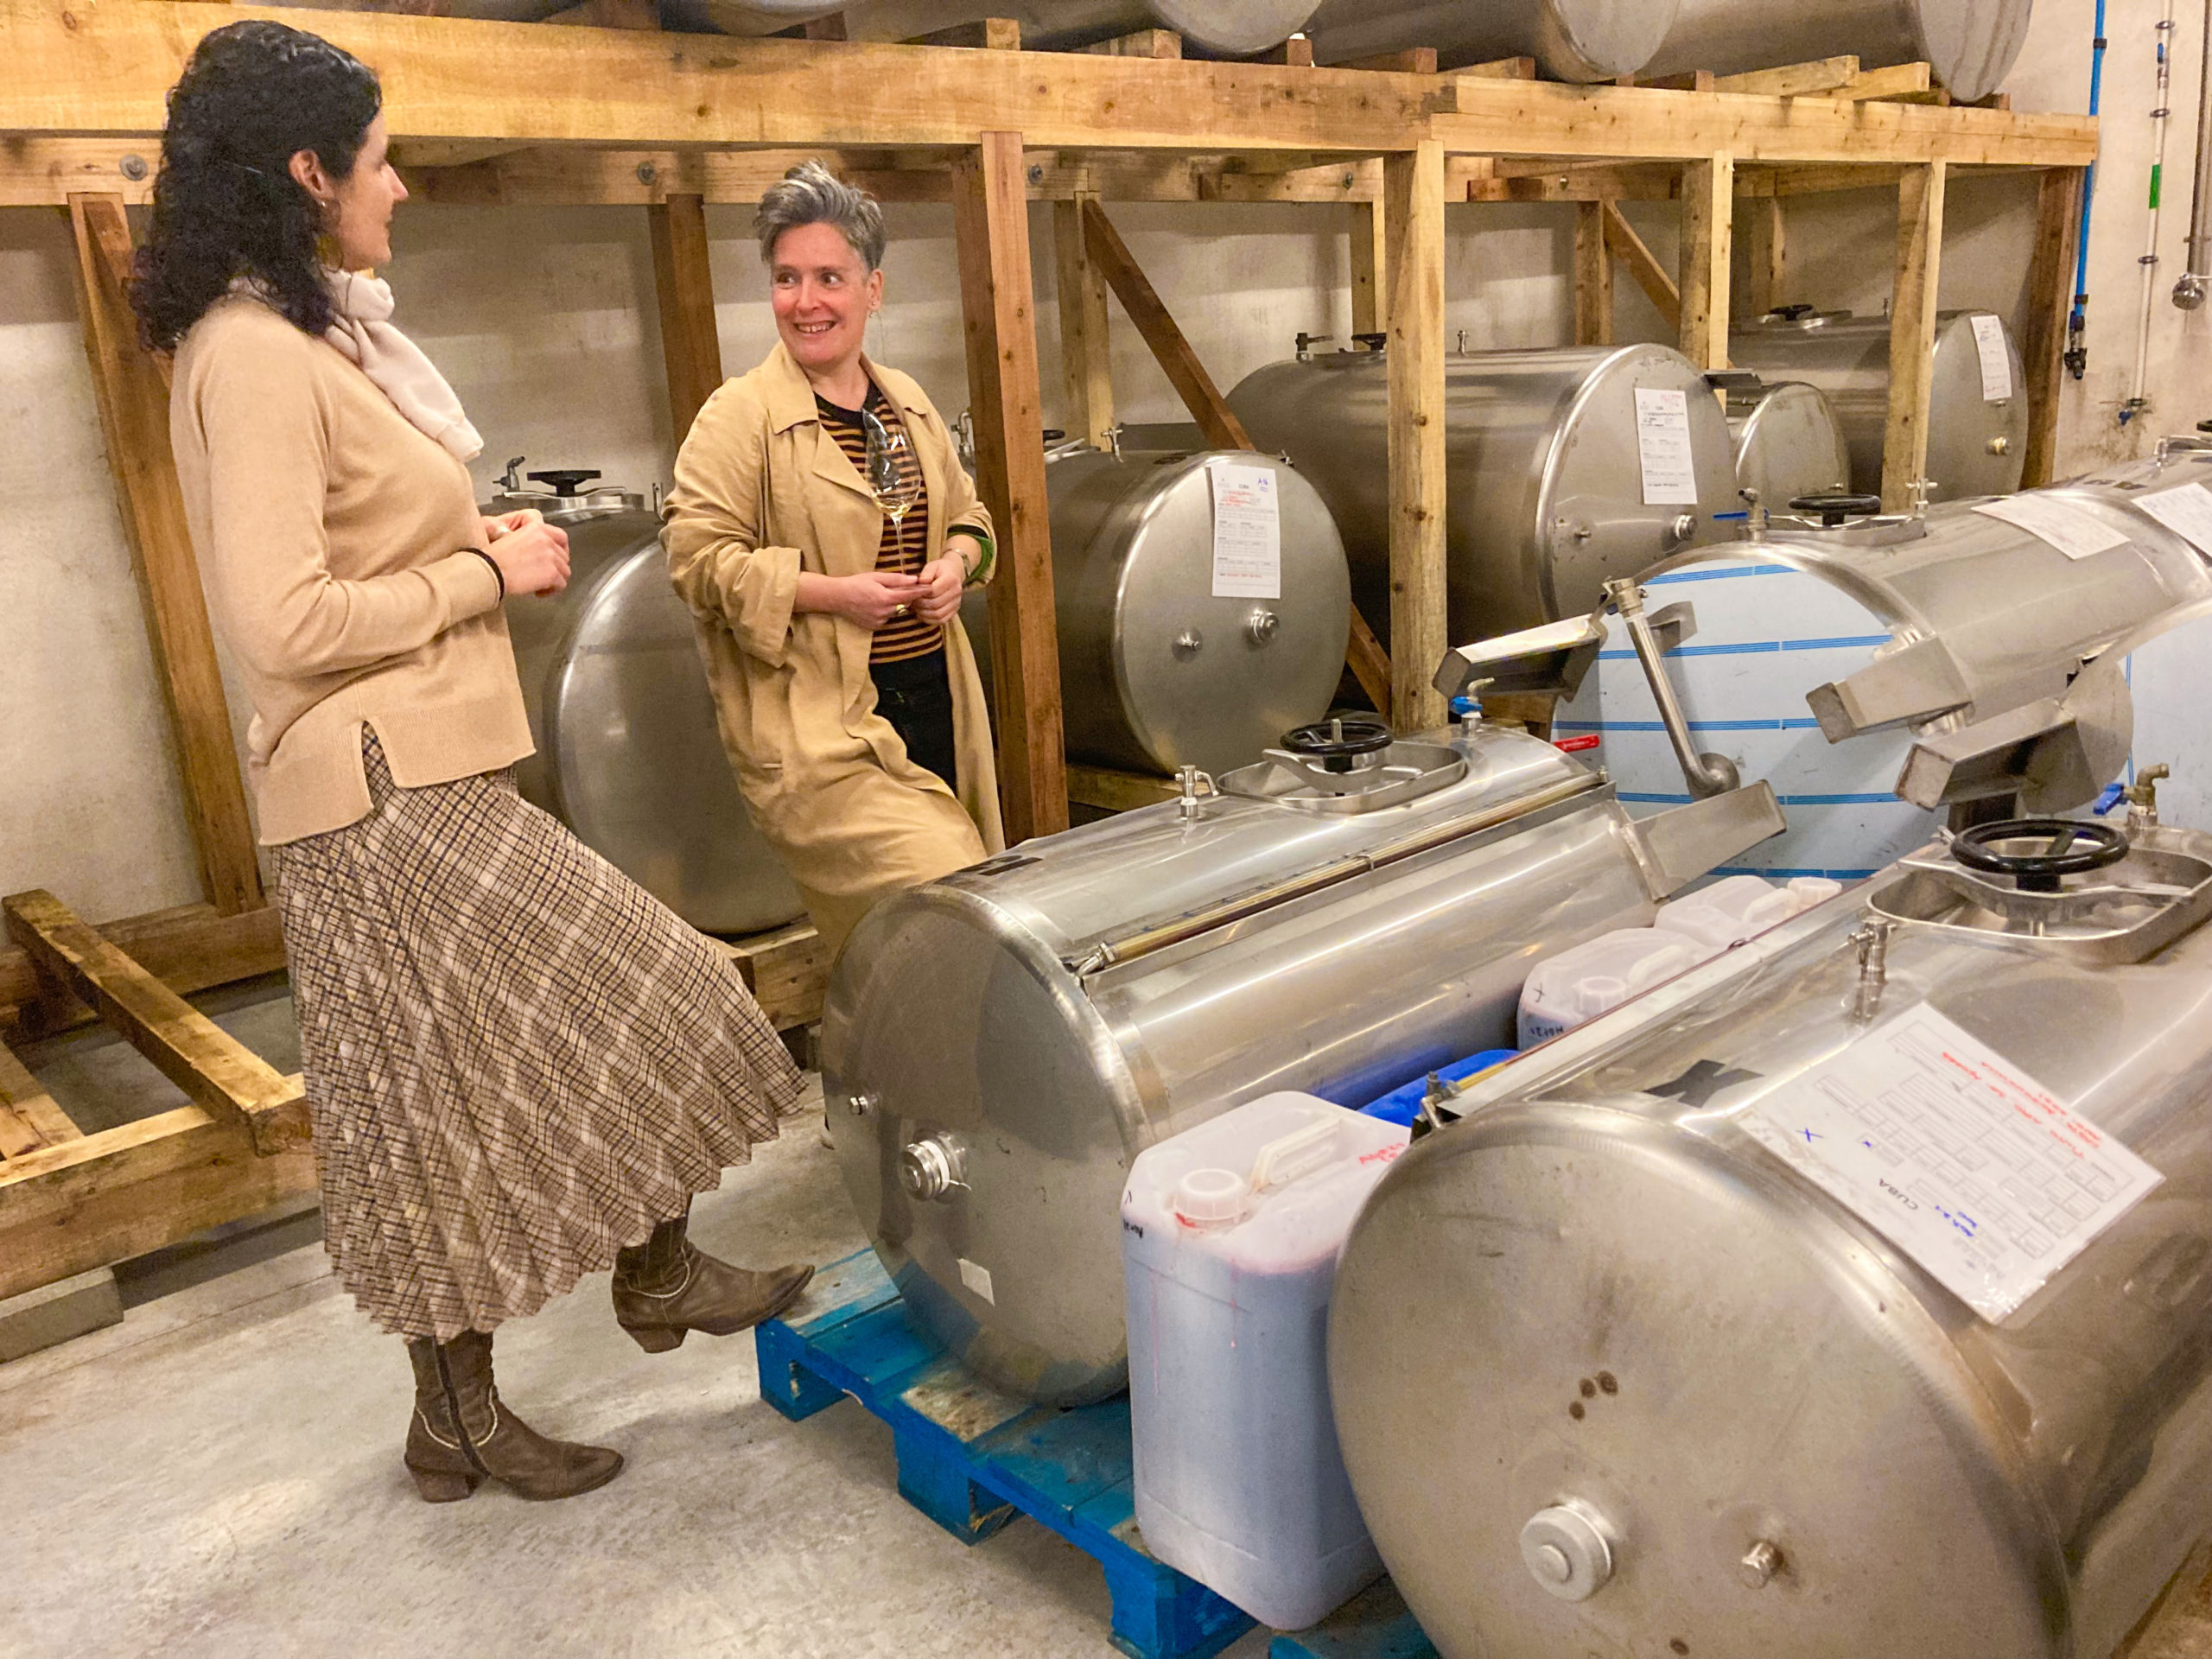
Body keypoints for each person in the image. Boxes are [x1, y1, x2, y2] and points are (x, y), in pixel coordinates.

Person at [137, 20, 814, 1505]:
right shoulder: (249, 356)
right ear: (310, 172)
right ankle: (577, 1328)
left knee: (473, 1084)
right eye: (383, 163)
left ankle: (605, 1305)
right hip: (371, 789)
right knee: (615, 1009)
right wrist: (480, 577)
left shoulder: (313, 334)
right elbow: (278, 620)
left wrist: (471, 546)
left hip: (413, 771)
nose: (403, 190)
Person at [664, 162, 1003, 957]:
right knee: (947, 918)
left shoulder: (907, 404)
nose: (805, 301)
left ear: (873, 289)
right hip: (823, 723)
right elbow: (695, 560)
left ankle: (911, 1073)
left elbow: (974, 517)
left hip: (937, 699)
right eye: (786, 278)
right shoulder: (740, 416)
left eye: (829, 277)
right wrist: (831, 593)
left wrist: (958, 561)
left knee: (924, 940)